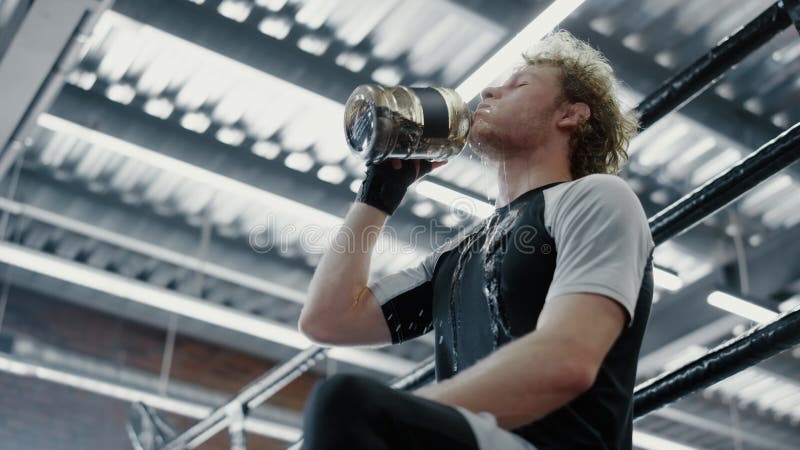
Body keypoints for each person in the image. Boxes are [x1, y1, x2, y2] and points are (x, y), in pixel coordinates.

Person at [298, 30, 654, 450]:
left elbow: (567, 360)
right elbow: (327, 319)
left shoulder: (596, 197)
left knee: (346, 404)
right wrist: (377, 194)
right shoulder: (460, 253)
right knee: (343, 406)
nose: (489, 90)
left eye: (519, 84)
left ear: (571, 115)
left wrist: (398, 422)